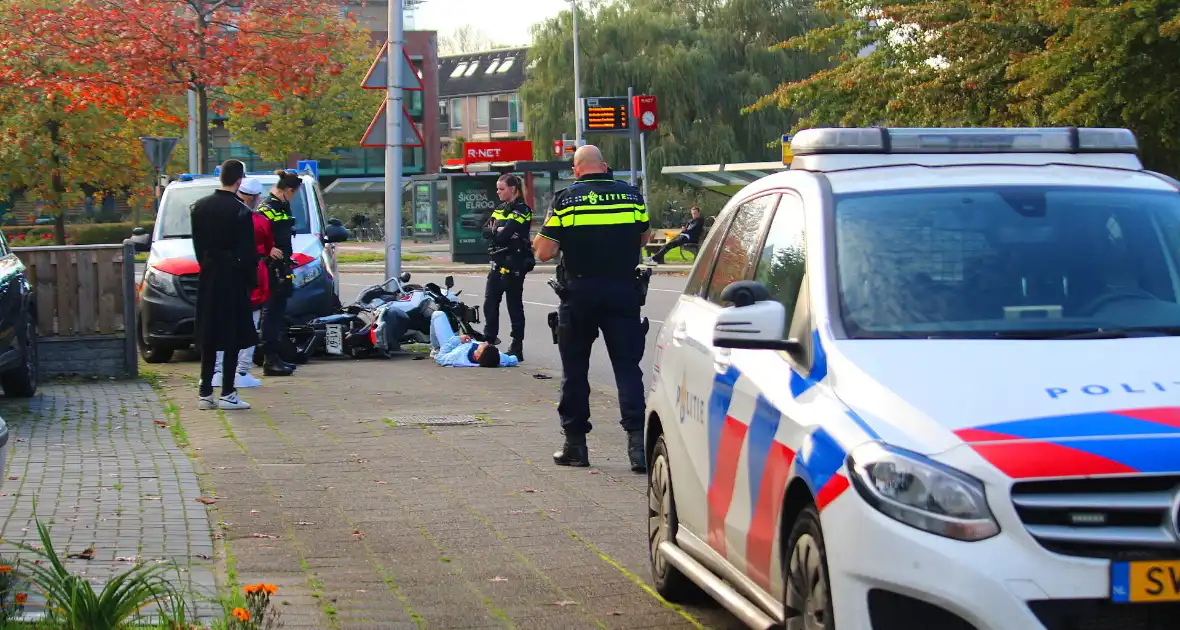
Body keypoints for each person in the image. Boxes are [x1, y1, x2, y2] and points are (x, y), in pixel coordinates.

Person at [532, 145, 651, 472]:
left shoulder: (566, 200)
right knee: (628, 368)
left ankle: (576, 445)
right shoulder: (631, 196)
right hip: (623, 290)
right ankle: (638, 448)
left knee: (575, 370)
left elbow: (543, 252)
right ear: (605, 165)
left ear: (576, 169)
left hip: (580, 292)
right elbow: (644, 238)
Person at [191, 159, 258, 411]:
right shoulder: (240, 211)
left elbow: (198, 246)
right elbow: (247, 253)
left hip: (208, 277)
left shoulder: (199, 207)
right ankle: (228, 392)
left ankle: (205, 392)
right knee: (233, 336)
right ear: (239, 180)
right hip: (232, 280)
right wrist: (250, 283)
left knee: (209, 333)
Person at [212, 177, 289, 387]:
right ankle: (241, 371)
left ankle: (217, 371)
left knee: (223, 325)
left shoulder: (220, 217)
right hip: (253, 277)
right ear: (255, 198)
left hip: (224, 277)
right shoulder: (260, 221)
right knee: (250, 324)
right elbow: (268, 247)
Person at [481, 173, 533, 360]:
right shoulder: (500, 208)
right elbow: (485, 230)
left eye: (501, 189)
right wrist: (497, 230)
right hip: (498, 261)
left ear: (512, 189)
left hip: (514, 262)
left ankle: (516, 347)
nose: (498, 192)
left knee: (514, 306)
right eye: (497, 189)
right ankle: (489, 341)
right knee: (490, 302)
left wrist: (498, 231)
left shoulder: (522, 209)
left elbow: (504, 234)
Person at [258, 170, 303, 376]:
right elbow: (255, 234)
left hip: (281, 266)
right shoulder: (267, 208)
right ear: (289, 190)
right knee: (271, 313)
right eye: (295, 193)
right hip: (271, 268)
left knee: (277, 313)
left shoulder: (281, 206)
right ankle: (269, 359)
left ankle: (275, 357)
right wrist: (267, 250)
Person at [428, 310, 520, 368]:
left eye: (483, 346)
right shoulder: (498, 357)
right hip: (464, 342)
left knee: (438, 314)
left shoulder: (457, 357)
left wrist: (458, 340)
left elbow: (440, 359)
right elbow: (513, 359)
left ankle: (436, 348)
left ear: (477, 356)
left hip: (450, 346)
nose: (485, 342)